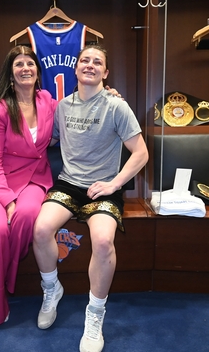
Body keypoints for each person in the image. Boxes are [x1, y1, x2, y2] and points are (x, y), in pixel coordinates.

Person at [32, 44, 148, 352]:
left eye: (97, 62)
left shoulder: (116, 106)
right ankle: (51, 289)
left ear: (105, 73)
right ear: (76, 67)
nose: (90, 65)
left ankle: (95, 314)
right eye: (85, 60)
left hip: (103, 187)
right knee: (41, 230)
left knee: (102, 242)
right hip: (69, 184)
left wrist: (115, 184)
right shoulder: (62, 106)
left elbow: (141, 153)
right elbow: (49, 137)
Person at [0, 45, 57, 325]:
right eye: (18, 64)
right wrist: (8, 201)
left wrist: (109, 94)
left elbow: (80, 107)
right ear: (10, 75)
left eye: (30, 64)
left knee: (28, 215)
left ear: (37, 71)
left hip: (34, 177)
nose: (25, 69)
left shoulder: (48, 101)